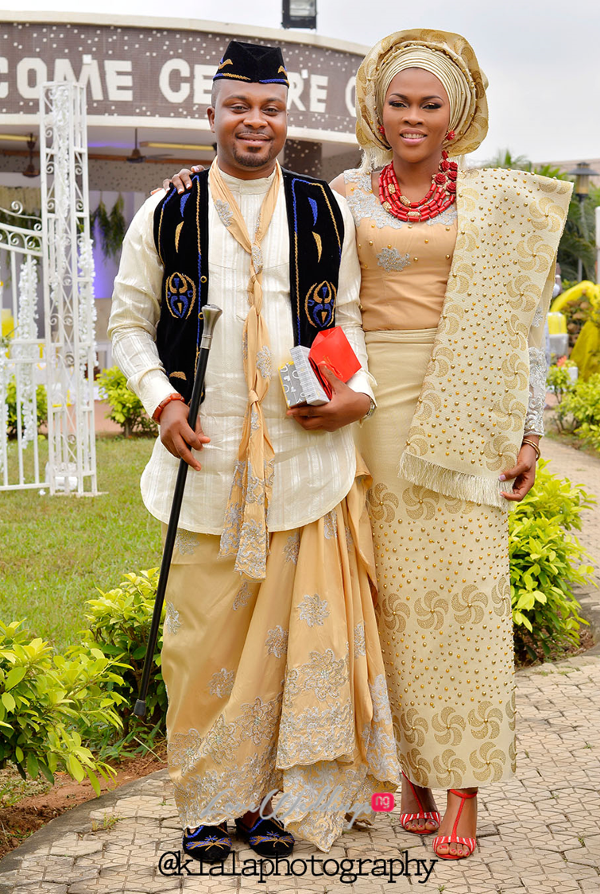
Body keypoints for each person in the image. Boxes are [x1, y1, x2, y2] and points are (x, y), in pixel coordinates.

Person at [162, 27, 572, 862]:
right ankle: (405, 775)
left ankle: (463, 787)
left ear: (457, 115)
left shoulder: (490, 203)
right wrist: (192, 188)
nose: (414, 117)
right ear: (375, 111)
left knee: (464, 599)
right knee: (376, 604)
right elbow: (268, 224)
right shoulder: (343, 193)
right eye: (400, 102)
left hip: (467, 409)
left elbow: (527, 325)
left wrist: (530, 429)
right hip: (362, 410)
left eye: (431, 104)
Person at [108, 39, 399, 860]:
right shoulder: (167, 211)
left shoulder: (320, 209)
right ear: (211, 115)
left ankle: (267, 802)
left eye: (270, 107)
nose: (254, 120)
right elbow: (129, 323)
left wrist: (357, 395)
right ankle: (205, 805)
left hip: (304, 463)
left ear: (286, 117)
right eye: (239, 105)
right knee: (199, 639)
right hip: (204, 459)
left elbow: (343, 315)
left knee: (286, 644)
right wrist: (162, 403)